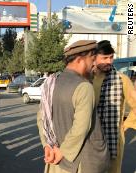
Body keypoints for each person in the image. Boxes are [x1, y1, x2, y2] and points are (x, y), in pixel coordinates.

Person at [37, 40, 110, 173]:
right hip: (80, 162)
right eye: (92, 59)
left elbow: (42, 118)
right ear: (79, 60)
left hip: (56, 161)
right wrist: (62, 152)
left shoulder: (51, 82)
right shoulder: (84, 86)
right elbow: (81, 127)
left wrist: (47, 146)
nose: (94, 64)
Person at [93, 40, 136, 173]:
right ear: (94, 59)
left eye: (111, 57)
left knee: (112, 170)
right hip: (90, 137)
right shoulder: (86, 78)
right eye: (104, 58)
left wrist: (127, 124)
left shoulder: (122, 79)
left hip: (113, 137)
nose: (109, 61)